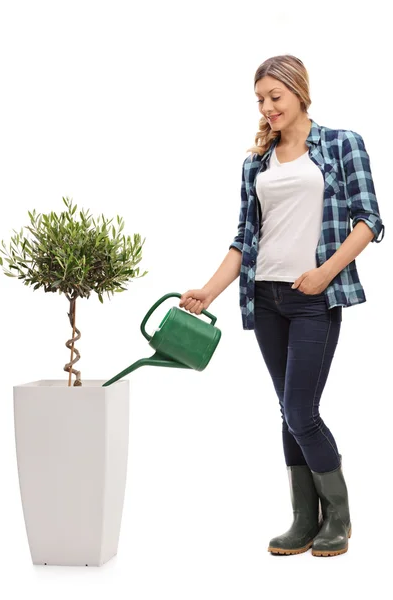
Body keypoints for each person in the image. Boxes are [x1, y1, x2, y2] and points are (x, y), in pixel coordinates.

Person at [179, 54, 385, 557]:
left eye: (275, 97)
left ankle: (338, 517)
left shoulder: (341, 145)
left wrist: (324, 273)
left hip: (314, 297)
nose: (267, 108)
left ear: (299, 92)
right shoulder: (256, 162)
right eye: (260, 100)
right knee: (288, 412)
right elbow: (244, 240)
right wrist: (209, 291)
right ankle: (302, 519)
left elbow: (369, 221)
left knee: (300, 409)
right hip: (265, 297)